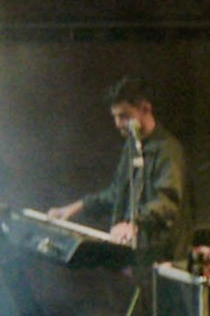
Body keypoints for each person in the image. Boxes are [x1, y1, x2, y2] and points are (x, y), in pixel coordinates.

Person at [49, 76, 187, 261]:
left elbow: (166, 203)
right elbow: (117, 193)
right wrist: (75, 208)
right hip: (134, 255)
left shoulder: (168, 150)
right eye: (114, 117)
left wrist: (133, 224)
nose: (117, 123)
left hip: (161, 259)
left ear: (145, 109)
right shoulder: (131, 146)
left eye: (124, 116)